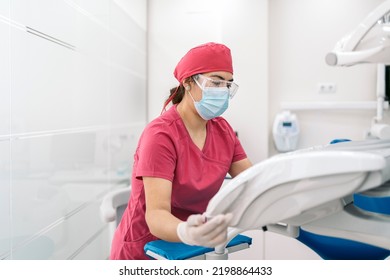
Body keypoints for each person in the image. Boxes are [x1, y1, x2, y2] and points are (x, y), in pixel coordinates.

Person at [110, 42, 252, 260]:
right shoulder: (160, 136)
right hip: (146, 249)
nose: (222, 90)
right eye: (215, 81)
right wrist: (188, 231)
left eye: (228, 84)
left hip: (191, 249)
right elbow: (157, 216)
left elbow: (253, 182)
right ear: (188, 82)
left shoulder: (223, 131)